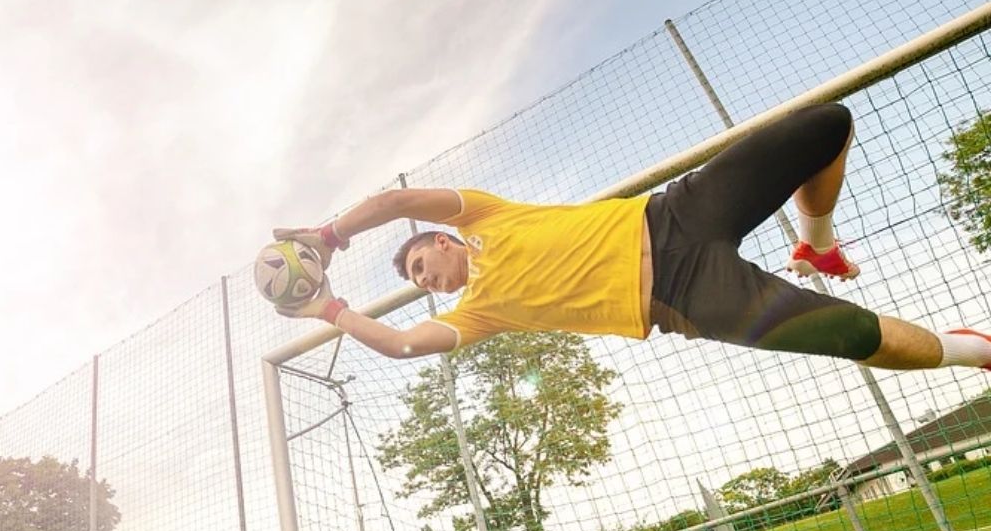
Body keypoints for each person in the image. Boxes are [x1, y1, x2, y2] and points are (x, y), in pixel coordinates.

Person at [273, 104, 991, 372]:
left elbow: (398, 198)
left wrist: (330, 233)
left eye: (424, 261)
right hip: (685, 298)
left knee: (827, 126)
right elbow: (401, 345)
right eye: (422, 281)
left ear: (446, 239)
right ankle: (970, 351)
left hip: (678, 214)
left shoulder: (484, 213)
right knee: (857, 337)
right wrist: (330, 311)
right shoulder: (477, 313)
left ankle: (818, 242)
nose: (426, 279)